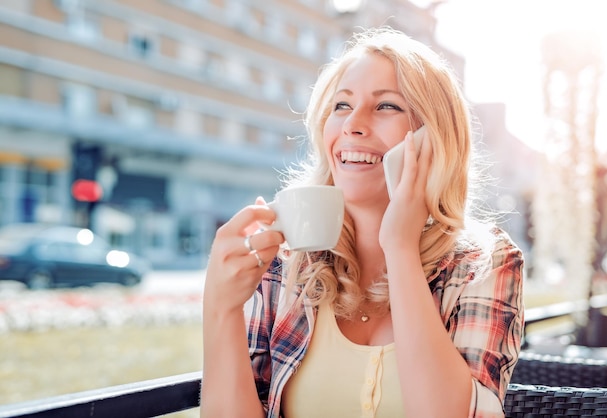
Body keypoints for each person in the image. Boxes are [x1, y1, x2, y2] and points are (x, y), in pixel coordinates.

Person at [201, 26, 524, 418]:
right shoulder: (284, 266)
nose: (352, 124)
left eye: (386, 106)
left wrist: (400, 246)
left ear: (433, 138)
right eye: (341, 106)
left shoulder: (485, 262)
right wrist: (221, 308)